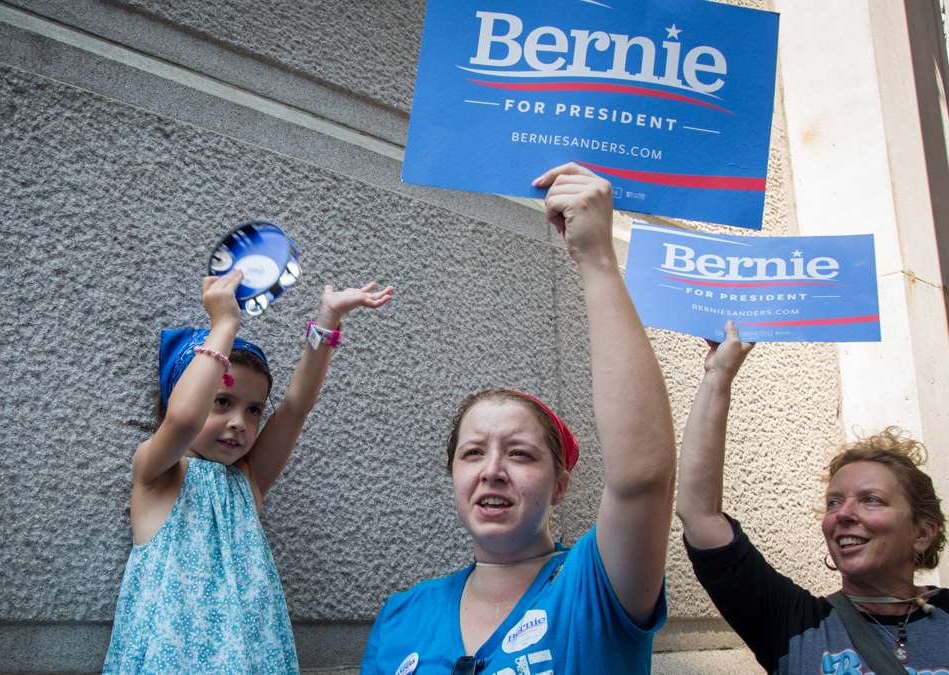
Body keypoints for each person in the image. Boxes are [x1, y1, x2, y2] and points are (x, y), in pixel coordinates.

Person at [361, 163, 676, 675]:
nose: (492, 470)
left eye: (521, 454)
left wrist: (595, 259)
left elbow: (643, 476)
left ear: (560, 486)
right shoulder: (401, 616)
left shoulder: (593, 588)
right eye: (473, 452)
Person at [103, 270, 393, 674]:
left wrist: (327, 321)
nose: (240, 421)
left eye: (253, 409)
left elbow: (294, 407)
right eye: (222, 401)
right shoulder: (157, 475)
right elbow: (184, 419)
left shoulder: (248, 480)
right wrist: (223, 324)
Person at [677, 320, 947, 674]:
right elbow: (700, 516)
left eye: (871, 500)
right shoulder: (793, 623)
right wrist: (718, 375)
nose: (843, 514)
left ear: (923, 532)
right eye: (834, 502)